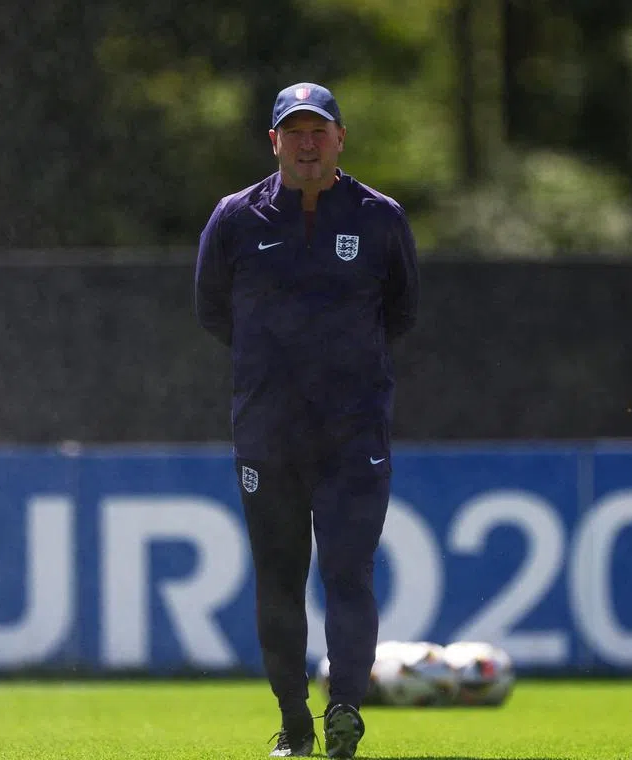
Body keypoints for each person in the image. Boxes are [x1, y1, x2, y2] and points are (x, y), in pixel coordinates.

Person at [194, 82, 420, 758]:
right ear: (274, 142)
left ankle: (345, 708)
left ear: (340, 137)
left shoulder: (380, 217)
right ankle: (294, 721)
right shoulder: (236, 218)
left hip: (354, 431)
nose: (307, 141)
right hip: (268, 433)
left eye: (319, 128)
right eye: (293, 130)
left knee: (349, 572)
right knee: (279, 577)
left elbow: (401, 313)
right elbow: (212, 312)